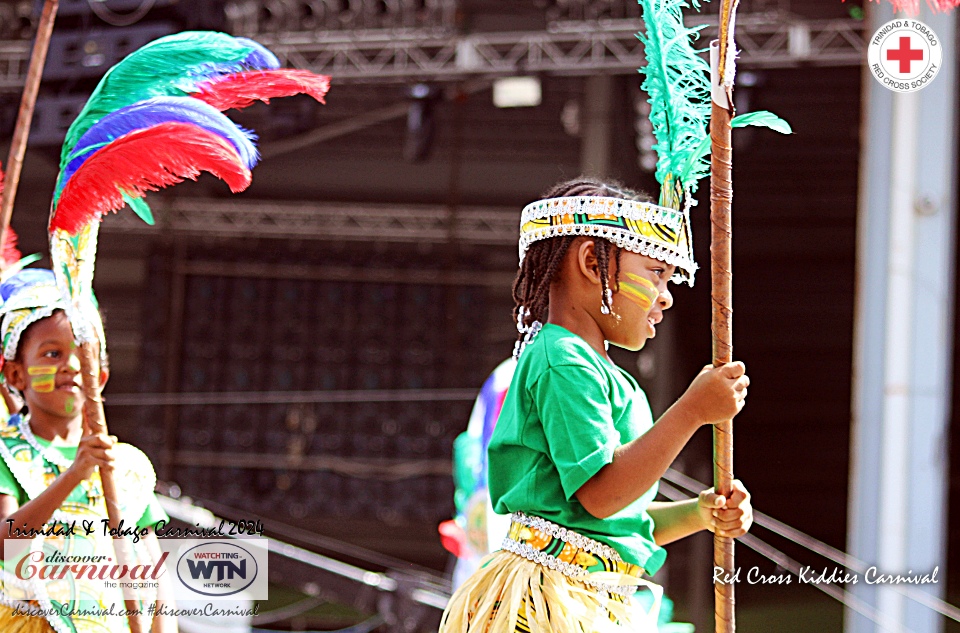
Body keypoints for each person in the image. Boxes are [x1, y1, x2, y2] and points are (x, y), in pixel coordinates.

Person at [439, 178, 753, 633]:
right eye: (654, 273)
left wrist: (699, 513)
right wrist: (692, 412)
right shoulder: (564, 360)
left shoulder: (594, 369)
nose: (666, 295)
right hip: (547, 602)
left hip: (587, 596)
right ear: (591, 262)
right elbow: (603, 495)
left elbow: (603, 521)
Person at [0, 269, 175, 633]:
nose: (72, 366)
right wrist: (74, 476)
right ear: (17, 376)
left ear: (102, 375)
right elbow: (7, 551)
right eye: (52, 353)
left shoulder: (127, 466)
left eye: (84, 355)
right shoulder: (7, 454)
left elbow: (151, 575)